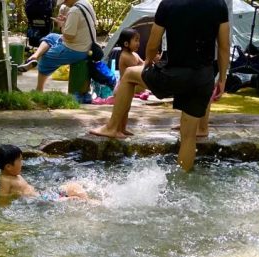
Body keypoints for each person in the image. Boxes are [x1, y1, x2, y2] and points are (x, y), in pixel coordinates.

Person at [89, 0, 230, 172]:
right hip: (202, 78)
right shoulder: (218, 4)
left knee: (129, 75)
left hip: (173, 75)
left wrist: (147, 62)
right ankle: (182, 184)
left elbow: (153, 43)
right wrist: (222, 78)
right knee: (188, 137)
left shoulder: (168, 3)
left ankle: (113, 127)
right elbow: (224, 46)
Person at [17, 0, 97, 93]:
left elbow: (69, 35)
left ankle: (39, 90)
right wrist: (66, 21)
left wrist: (61, 25)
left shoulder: (74, 11)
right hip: (87, 44)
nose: (64, 4)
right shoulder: (85, 3)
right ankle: (34, 56)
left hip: (77, 50)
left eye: (64, 1)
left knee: (46, 59)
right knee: (51, 37)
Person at [0, 145, 89, 202]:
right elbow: (3, 199)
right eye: (19, 161)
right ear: (8, 167)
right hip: (41, 201)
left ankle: (88, 201)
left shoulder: (14, 175)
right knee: (74, 199)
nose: (22, 163)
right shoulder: (5, 180)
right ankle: (90, 203)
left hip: (42, 194)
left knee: (73, 186)